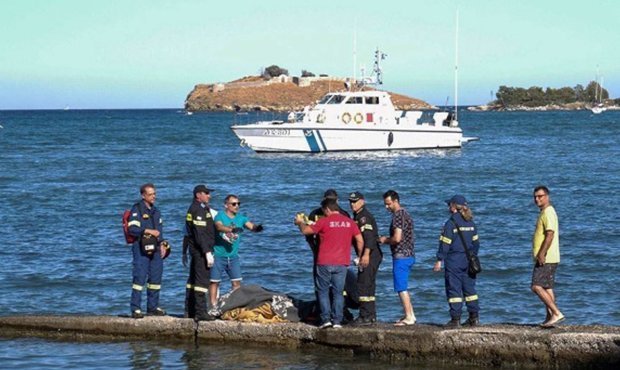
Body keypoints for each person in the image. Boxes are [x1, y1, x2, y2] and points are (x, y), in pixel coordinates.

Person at [295, 198, 363, 329]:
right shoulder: (349, 222)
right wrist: (359, 255)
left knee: (323, 291)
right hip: (342, 262)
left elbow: (306, 231)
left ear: (327, 209)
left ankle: (325, 319)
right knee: (338, 292)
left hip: (324, 261)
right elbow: (359, 240)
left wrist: (300, 223)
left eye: (324, 211)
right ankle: (337, 321)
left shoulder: (324, 221)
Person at [210, 194, 263, 312]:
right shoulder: (220, 215)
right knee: (214, 282)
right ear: (226, 205)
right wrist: (231, 230)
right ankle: (213, 306)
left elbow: (251, 226)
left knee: (236, 282)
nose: (236, 206)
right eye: (233, 204)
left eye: (238, 204)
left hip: (233, 257)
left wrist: (257, 228)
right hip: (218, 255)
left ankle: (235, 306)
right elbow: (218, 227)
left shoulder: (241, 218)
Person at [433, 195, 481, 327]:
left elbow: (445, 244)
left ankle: (455, 319)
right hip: (468, 261)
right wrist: (472, 256)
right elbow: (476, 244)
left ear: (454, 207)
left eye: (449, 205)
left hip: (454, 261)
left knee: (454, 290)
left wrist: (439, 259)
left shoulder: (450, 223)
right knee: (470, 290)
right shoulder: (471, 222)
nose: (448, 207)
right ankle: (474, 318)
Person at [127, 183, 169, 318]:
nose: (154, 196)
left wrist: (162, 244)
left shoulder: (156, 211)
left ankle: (153, 307)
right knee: (139, 277)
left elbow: (160, 232)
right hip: (141, 248)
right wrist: (147, 231)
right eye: (150, 194)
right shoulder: (137, 210)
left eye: (154, 194)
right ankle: (136, 308)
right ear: (143, 195)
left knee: (155, 279)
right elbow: (132, 229)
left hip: (156, 249)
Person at [305, 190, 351, 304]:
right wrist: (314, 249)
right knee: (320, 286)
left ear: (337, 201)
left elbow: (350, 235)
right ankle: (321, 310)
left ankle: (341, 312)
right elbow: (309, 235)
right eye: (327, 200)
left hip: (339, 254)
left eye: (332, 200)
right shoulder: (315, 214)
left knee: (339, 288)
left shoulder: (344, 214)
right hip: (321, 253)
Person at [379, 190, 417, 326]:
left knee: (401, 287)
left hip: (401, 256)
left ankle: (409, 317)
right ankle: (411, 314)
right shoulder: (406, 214)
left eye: (388, 204)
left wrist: (384, 240)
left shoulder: (398, 216)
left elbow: (397, 238)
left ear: (395, 201)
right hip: (410, 254)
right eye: (385, 204)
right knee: (403, 285)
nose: (386, 207)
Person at [531, 186, 564, 327]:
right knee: (547, 287)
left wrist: (541, 253)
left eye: (540, 196)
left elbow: (550, 235)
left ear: (547, 196)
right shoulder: (544, 212)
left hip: (547, 257)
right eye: (535, 197)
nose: (537, 199)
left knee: (536, 286)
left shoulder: (548, 212)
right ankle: (550, 316)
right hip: (550, 257)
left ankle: (556, 313)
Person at [348, 191, 382, 325]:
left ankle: (365, 316)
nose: (352, 204)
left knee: (363, 285)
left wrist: (366, 254)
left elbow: (369, 238)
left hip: (370, 254)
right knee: (369, 285)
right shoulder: (357, 216)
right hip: (369, 254)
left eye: (355, 201)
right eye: (351, 202)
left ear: (362, 201)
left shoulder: (364, 217)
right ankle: (371, 315)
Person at [183, 188, 218, 319]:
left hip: (198, 249)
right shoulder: (197, 210)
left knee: (192, 280)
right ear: (198, 195)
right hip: (200, 251)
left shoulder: (201, 208)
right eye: (206, 193)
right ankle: (200, 312)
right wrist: (207, 251)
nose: (209, 196)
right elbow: (199, 233)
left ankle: (189, 310)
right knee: (201, 282)